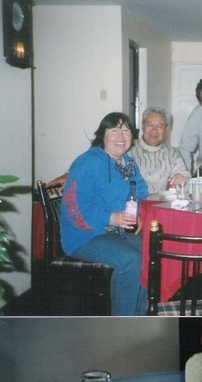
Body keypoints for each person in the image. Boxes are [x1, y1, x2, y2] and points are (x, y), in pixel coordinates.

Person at [61, 112, 149, 316]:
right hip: (84, 235)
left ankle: (140, 316)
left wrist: (140, 213)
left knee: (150, 249)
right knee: (131, 260)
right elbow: (75, 207)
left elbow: (141, 191)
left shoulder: (127, 162)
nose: (121, 135)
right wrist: (111, 217)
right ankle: (122, 321)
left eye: (126, 130)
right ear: (102, 135)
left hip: (114, 232)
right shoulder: (88, 162)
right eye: (114, 130)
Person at [48, 106, 190, 195]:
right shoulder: (125, 147)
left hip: (156, 209)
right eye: (150, 125)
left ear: (166, 130)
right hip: (124, 210)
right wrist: (69, 176)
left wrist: (183, 180)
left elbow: (186, 179)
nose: (154, 130)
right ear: (142, 126)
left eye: (160, 126)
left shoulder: (172, 153)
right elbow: (95, 160)